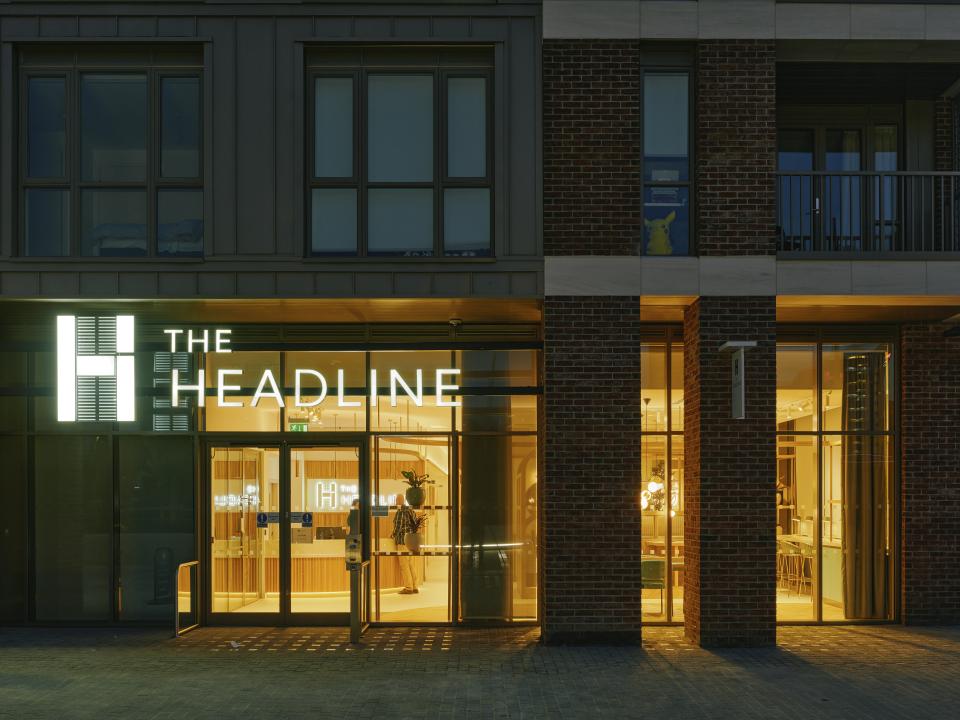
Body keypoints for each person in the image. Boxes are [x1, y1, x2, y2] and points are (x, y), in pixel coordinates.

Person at [391, 494, 420, 594]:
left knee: (404, 565)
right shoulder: (411, 510)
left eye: (396, 500)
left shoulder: (401, 511)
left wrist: (393, 535)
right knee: (411, 564)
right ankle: (415, 586)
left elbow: (398, 527)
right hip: (411, 541)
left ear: (400, 501)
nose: (395, 502)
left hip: (402, 541)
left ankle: (408, 587)